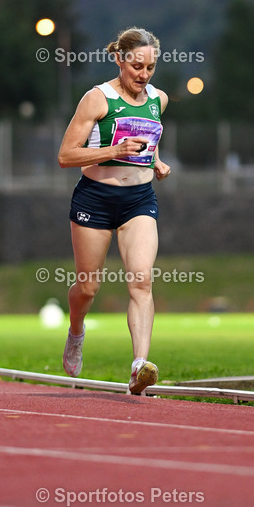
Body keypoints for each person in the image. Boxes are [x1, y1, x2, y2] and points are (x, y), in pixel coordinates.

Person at [57, 27, 171, 393]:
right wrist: (113, 151)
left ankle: (140, 365)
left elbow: (148, 140)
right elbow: (66, 156)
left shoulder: (159, 99)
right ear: (120, 60)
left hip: (139, 201)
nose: (143, 75)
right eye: (137, 66)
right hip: (95, 198)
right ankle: (76, 331)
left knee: (141, 280)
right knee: (88, 287)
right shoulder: (97, 99)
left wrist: (156, 161)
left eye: (150, 67)